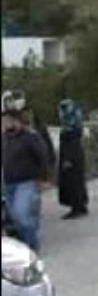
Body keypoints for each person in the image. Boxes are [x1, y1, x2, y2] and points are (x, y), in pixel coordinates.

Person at [2, 105, 52, 252]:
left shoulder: (29, 137)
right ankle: (29, 243)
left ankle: (32, 246)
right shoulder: (5, 139)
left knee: (22, 215)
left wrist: (44, 178)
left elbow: (42, 157)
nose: (3, 124)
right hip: (9, 184)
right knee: (17, 219)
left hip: (26, 182)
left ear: (15, 121)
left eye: (6, 121)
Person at [56, 99, 89, 219]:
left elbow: (71, 145)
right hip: (76, 157)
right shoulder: (74, 126)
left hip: (71, 158)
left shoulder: (69, 128)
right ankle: (81, 205)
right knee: (78, 182)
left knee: (73, 183)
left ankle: (76, 207)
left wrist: (68, 159)